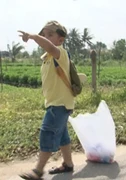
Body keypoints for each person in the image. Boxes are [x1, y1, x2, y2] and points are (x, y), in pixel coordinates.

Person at [18, 20, 74, 180]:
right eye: (44, 34)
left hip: (59, 104)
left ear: (60, 40)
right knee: (62, 136)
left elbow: (49, 46)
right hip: (55, 102)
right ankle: (68, 164)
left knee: (47, 133)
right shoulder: (47, 57)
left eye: (50, 34)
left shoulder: (60, 53)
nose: (46, 37)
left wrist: (33, 36)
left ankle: (37, 171)